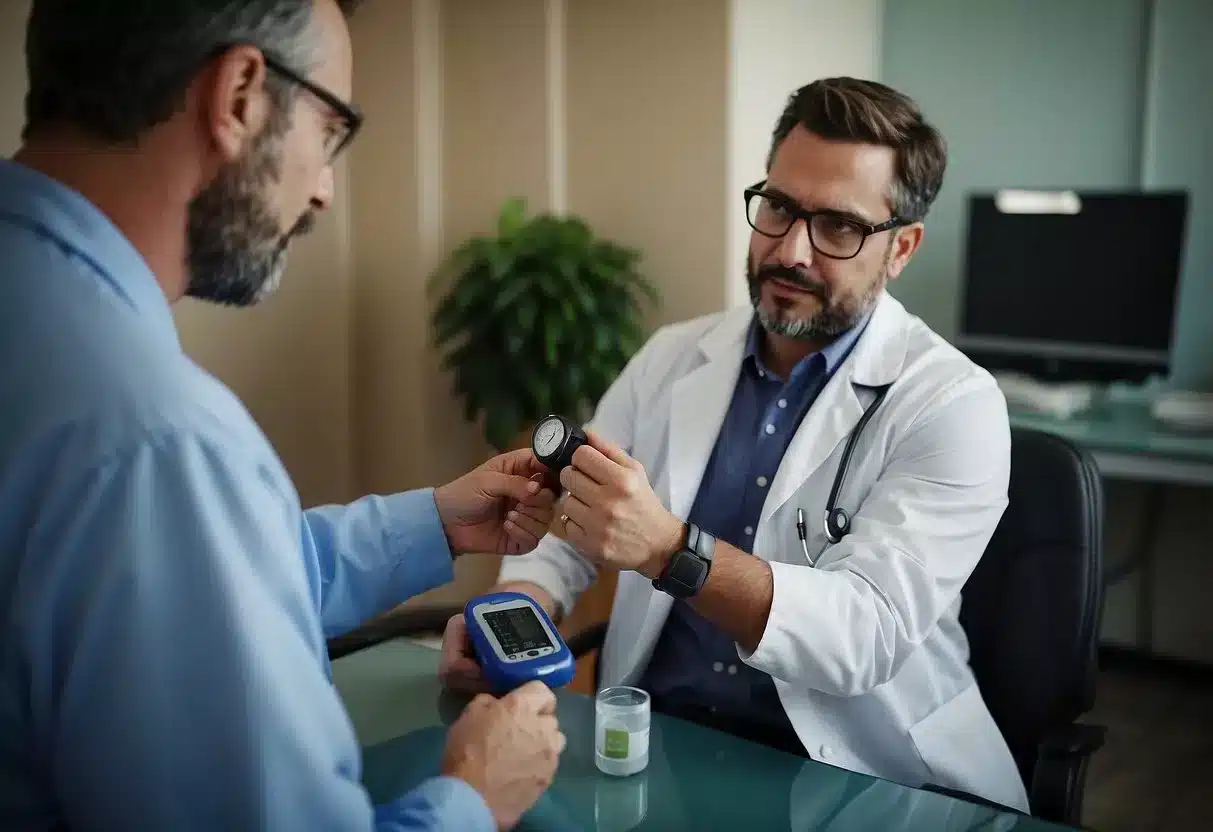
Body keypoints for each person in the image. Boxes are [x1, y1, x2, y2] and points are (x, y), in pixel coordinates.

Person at [0, 1, 565, 830]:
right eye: (331, 130)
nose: (324, 191)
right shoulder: (160, 442)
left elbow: (179, 585)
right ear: (238, 96)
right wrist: (474, 797)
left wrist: (434, 522)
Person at [440, 77, 1031, 813]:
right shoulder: (670, 357)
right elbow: (568, 523)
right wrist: (519, 607)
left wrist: (670, 552)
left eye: (838, 227)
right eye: (778, 207)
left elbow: (864, 633)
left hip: (864, 777)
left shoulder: (953, 405)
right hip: (660, 749)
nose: (790, 251)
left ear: (901, 248)